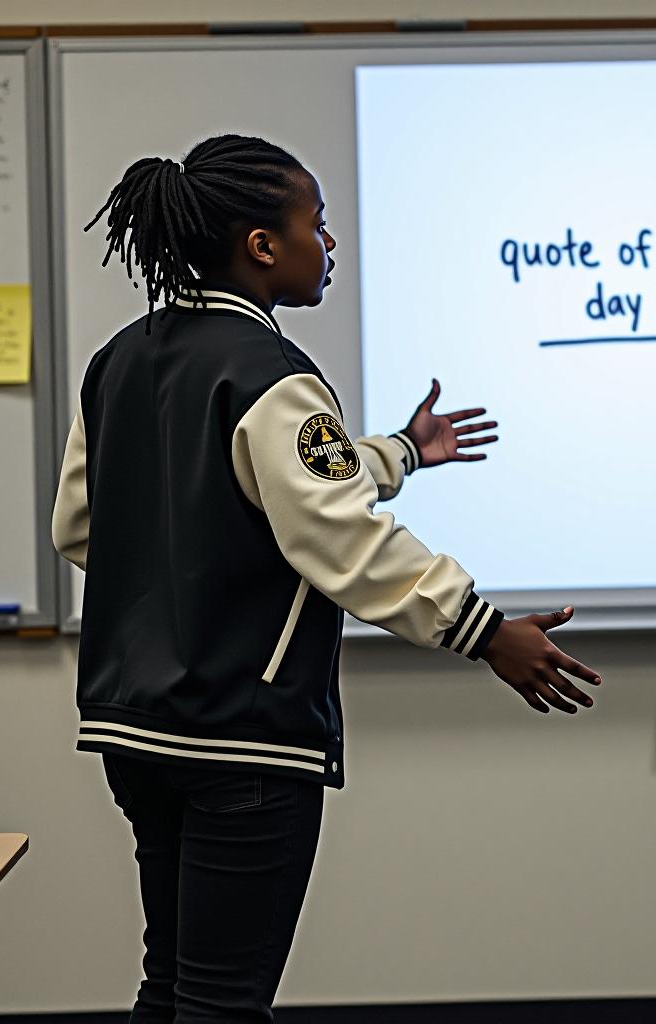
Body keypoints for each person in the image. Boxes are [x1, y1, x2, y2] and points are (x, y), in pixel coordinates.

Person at [52, 133, 602, 1023]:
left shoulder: (119, 359)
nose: (330, 244)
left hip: (134, 731)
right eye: (317, 224)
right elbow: (340, 537)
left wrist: (401, 453)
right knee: (224, 1005)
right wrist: (487, 631)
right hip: (244, 738)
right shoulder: (273, 375)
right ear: (261, 246)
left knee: (174, 986)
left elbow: (82, 527)